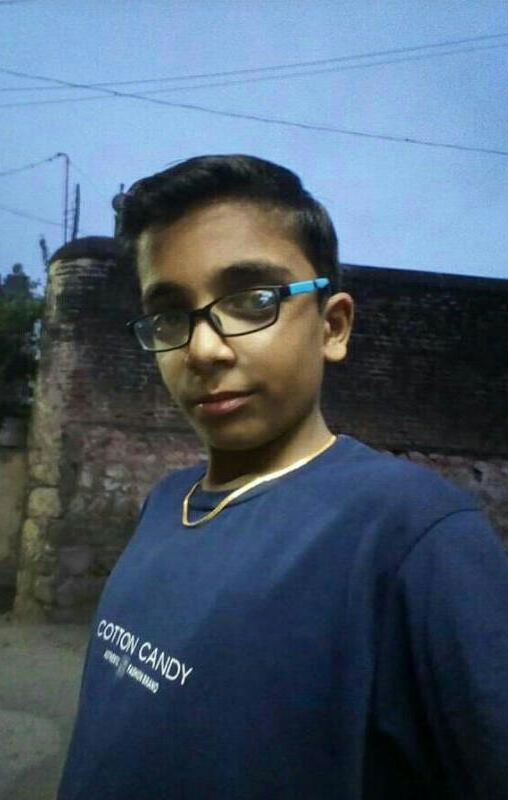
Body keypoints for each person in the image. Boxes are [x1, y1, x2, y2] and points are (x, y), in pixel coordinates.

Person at [58, 155, 508, 799]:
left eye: (252, 301)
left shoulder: (415, 535)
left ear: (333, 326)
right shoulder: (165, 503)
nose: (203, 349)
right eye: (171, 315)